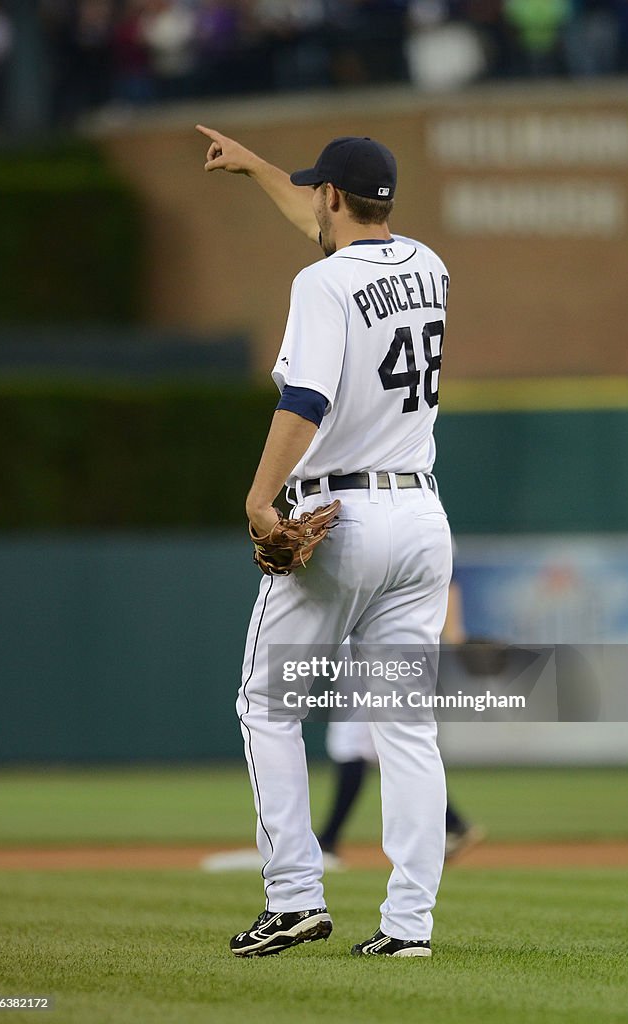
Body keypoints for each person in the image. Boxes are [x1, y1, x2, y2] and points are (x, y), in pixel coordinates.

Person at [198, 126, 452, 958]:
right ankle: (409, 927)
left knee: (267, 708)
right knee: (406, 729)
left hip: (339, 520)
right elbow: (338, 239)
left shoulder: (321, 284)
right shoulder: (429, 265)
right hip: (421, 519)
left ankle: (295, 898)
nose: (311, 199)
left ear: (333, 197)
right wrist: (256, 169)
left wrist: (259, 499)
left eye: (317, 189)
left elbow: (303, 400)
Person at [319, 577, 486, 865]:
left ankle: (328, 841)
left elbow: (449, 580)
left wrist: (456, 633)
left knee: (355, 743)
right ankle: (452, 823)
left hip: (377, 637)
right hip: (394, 638)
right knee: (384, 744)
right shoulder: (424, 533)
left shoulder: (390, 533)